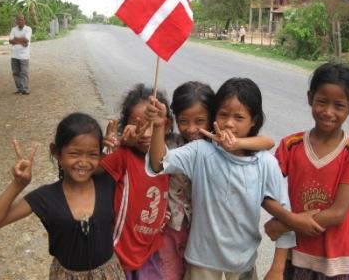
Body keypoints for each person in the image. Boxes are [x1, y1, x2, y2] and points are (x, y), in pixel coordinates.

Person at [146, 78, 323, 280]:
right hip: (201, 262)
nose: (229, 123)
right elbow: (159, 163)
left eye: (239, 117)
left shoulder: (265, 163)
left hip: (242, 263)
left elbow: (283, 216)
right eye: (223, 115)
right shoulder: (201, 152)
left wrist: (277, 269)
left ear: (254, 120)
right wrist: (159, 126)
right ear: (214, 116)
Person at [265, 63, 349, 280]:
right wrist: (290, 221)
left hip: (335, 260)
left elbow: (337, 213)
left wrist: (286, 223)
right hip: (294, 254)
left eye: (339, 105)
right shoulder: (290, 146)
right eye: (322, 102)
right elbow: (266, 193)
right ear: (310, 98)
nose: (328, 112)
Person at [0, 112, 125, 279]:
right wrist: (18, 185)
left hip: (109, 274)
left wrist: (118, 145)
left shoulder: (107, 182)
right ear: (56, 152)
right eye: (74, 153)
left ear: (100, 155)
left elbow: (145, 163)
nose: (83, 162)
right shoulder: (45, 197)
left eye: (92, 154)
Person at [159, 81, 276, 280]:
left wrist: (236, 142)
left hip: (212, 234)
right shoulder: (175, 145)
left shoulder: (219, 145)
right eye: (184, 121)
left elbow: (268, 142)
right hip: (177, 226)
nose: (192, 128)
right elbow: (156, 160)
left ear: (211, 118)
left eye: (200, 120)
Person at [99, 83, 172, 280]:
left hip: (150, 252)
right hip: (119, 254)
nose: (145, 133)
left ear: (166, 126)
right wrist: (116, 144)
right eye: (137, 123)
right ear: (125, 126)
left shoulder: (169, 158)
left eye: (153, 124)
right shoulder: (123, 156)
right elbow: (93, 172)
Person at [9, 14, 32, 95]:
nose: (20, 21)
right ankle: (19, 88)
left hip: (24, 55)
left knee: (24, 72)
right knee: (15, 73)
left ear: (24, 21)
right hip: (14, 55)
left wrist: (16, 39)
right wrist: (21, 41)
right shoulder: (13, 29)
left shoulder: (28, 29)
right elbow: (10, 41)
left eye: (22, 20)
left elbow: (26, 40)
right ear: (16, 21)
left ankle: (25, 88)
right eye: (18, 20)